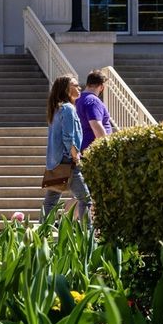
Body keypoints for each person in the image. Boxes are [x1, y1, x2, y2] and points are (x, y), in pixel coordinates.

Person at [43, 75, 92, 222]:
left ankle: (42, 234)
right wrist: (76, 157)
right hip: (68, 162)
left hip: (55, 162)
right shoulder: (68, 109)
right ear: (66, 89)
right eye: (75, 85)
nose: (80, 88)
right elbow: (68, 137)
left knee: (50, 202)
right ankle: (87, 234)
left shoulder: (57, 109)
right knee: (85, 199)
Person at [76, 70, 113, 153]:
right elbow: (96, 125)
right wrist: (107, 147)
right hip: (94, 150)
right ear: (101, 86)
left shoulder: (79, 99)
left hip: (84, 147)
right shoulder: (93, 101)